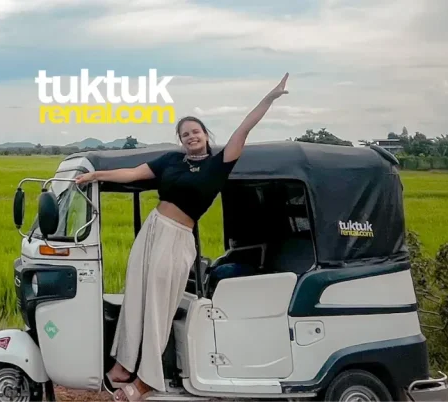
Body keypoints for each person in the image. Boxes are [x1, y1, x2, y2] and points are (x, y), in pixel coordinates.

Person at [74, 73, 290, 401]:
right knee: (136, 296)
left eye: (195, 131)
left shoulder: (219, 164)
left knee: (158, 306)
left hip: (177, 238)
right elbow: (133, 174)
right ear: (181, 139)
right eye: (185, 133)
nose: (191, 137)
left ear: (205, 135)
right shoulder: (171, 161)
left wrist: (269, 98)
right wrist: (96, 175)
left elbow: (244, 128)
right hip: (152, 231)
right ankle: (122, 366)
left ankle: (146, 380)